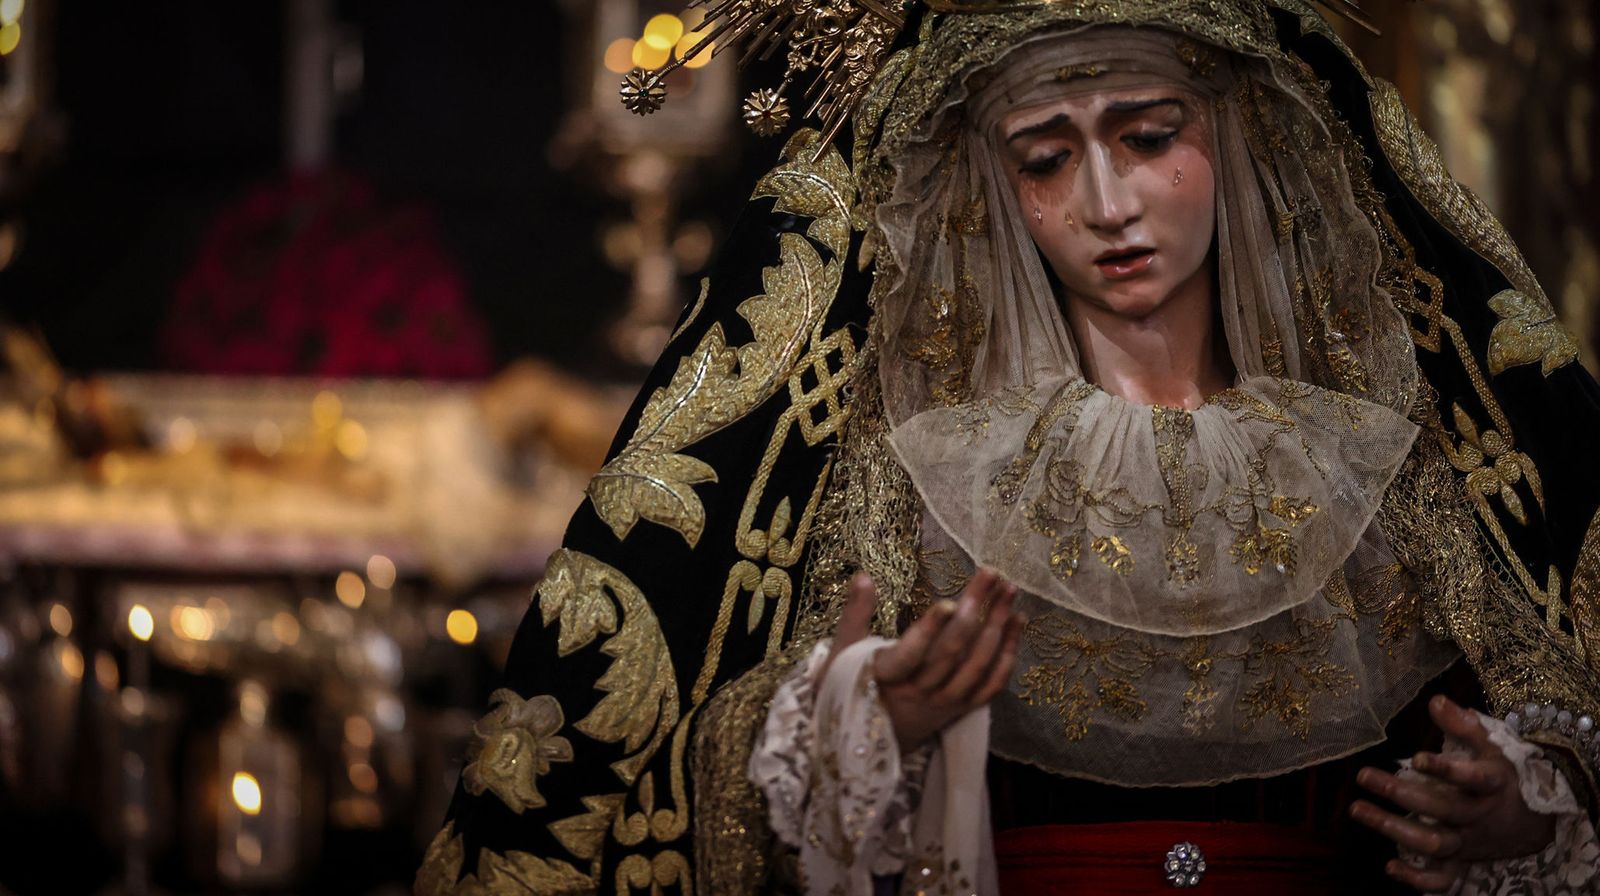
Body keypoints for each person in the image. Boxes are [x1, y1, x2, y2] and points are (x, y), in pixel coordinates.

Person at [416, 2, 1600, 894]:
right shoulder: (919, 466)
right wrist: (859, 720)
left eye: (1146, 137)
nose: (1107, 202)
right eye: (1045, 157)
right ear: (990, 189)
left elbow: (1548, 700)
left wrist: (1528, 806)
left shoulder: (1380, 455)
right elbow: (707, 764)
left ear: (1239, 140)